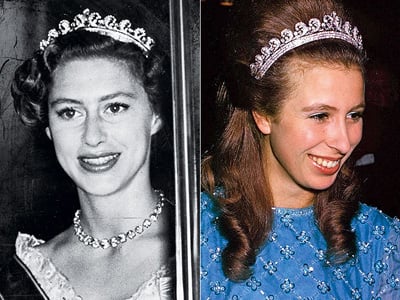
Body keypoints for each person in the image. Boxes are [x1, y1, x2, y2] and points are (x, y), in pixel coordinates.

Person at [201, 0, 400, 299]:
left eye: (354, 115)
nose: (344, 142)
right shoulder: (191, 232)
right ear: (263, 114)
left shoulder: (380, 241)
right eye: (320, 116)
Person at [0, 8, 175, 299]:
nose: (92, 137)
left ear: (155, 116)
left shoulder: (199, 245)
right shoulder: (23, 278)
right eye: (69, 112)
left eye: (115, 107)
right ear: (49, 129)